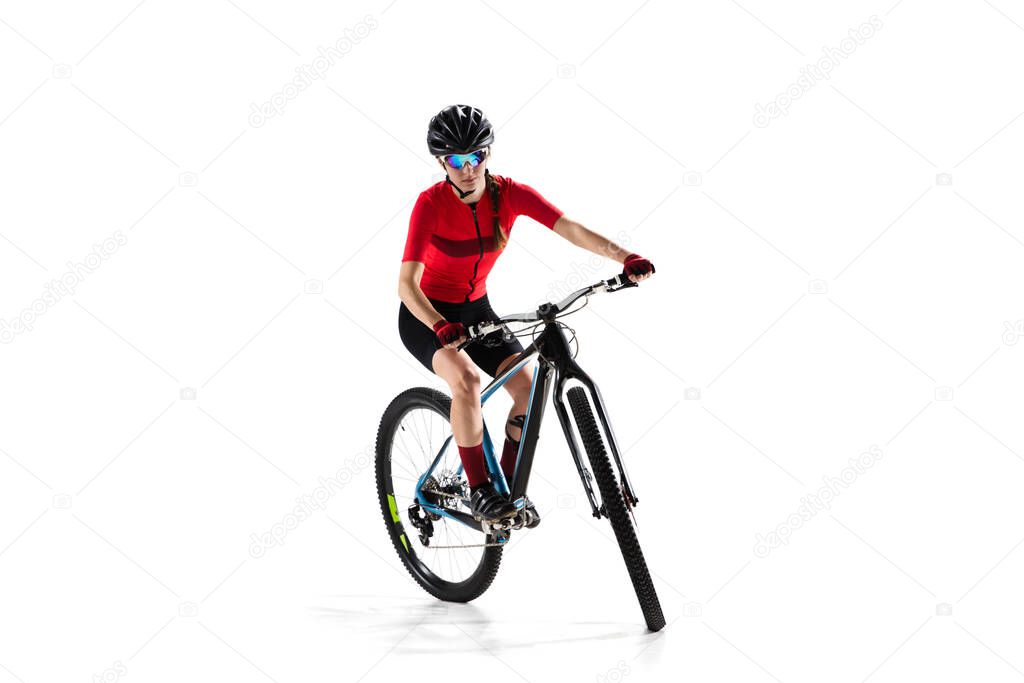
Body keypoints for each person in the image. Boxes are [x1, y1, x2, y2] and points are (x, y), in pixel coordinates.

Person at [397, 104, 655, 524]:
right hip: (426, 315)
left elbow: (570, 228)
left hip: (477, 309)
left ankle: (508, 494)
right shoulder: (430, 205)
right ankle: (480, 492)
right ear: (442, 163)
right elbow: (406, 286)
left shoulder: (510, 194)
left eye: (476, 156)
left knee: (527, 389)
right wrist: (439, 324)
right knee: (467, 381)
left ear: (488, 155)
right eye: (457, 161)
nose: (468, 169)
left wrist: (625, 256)